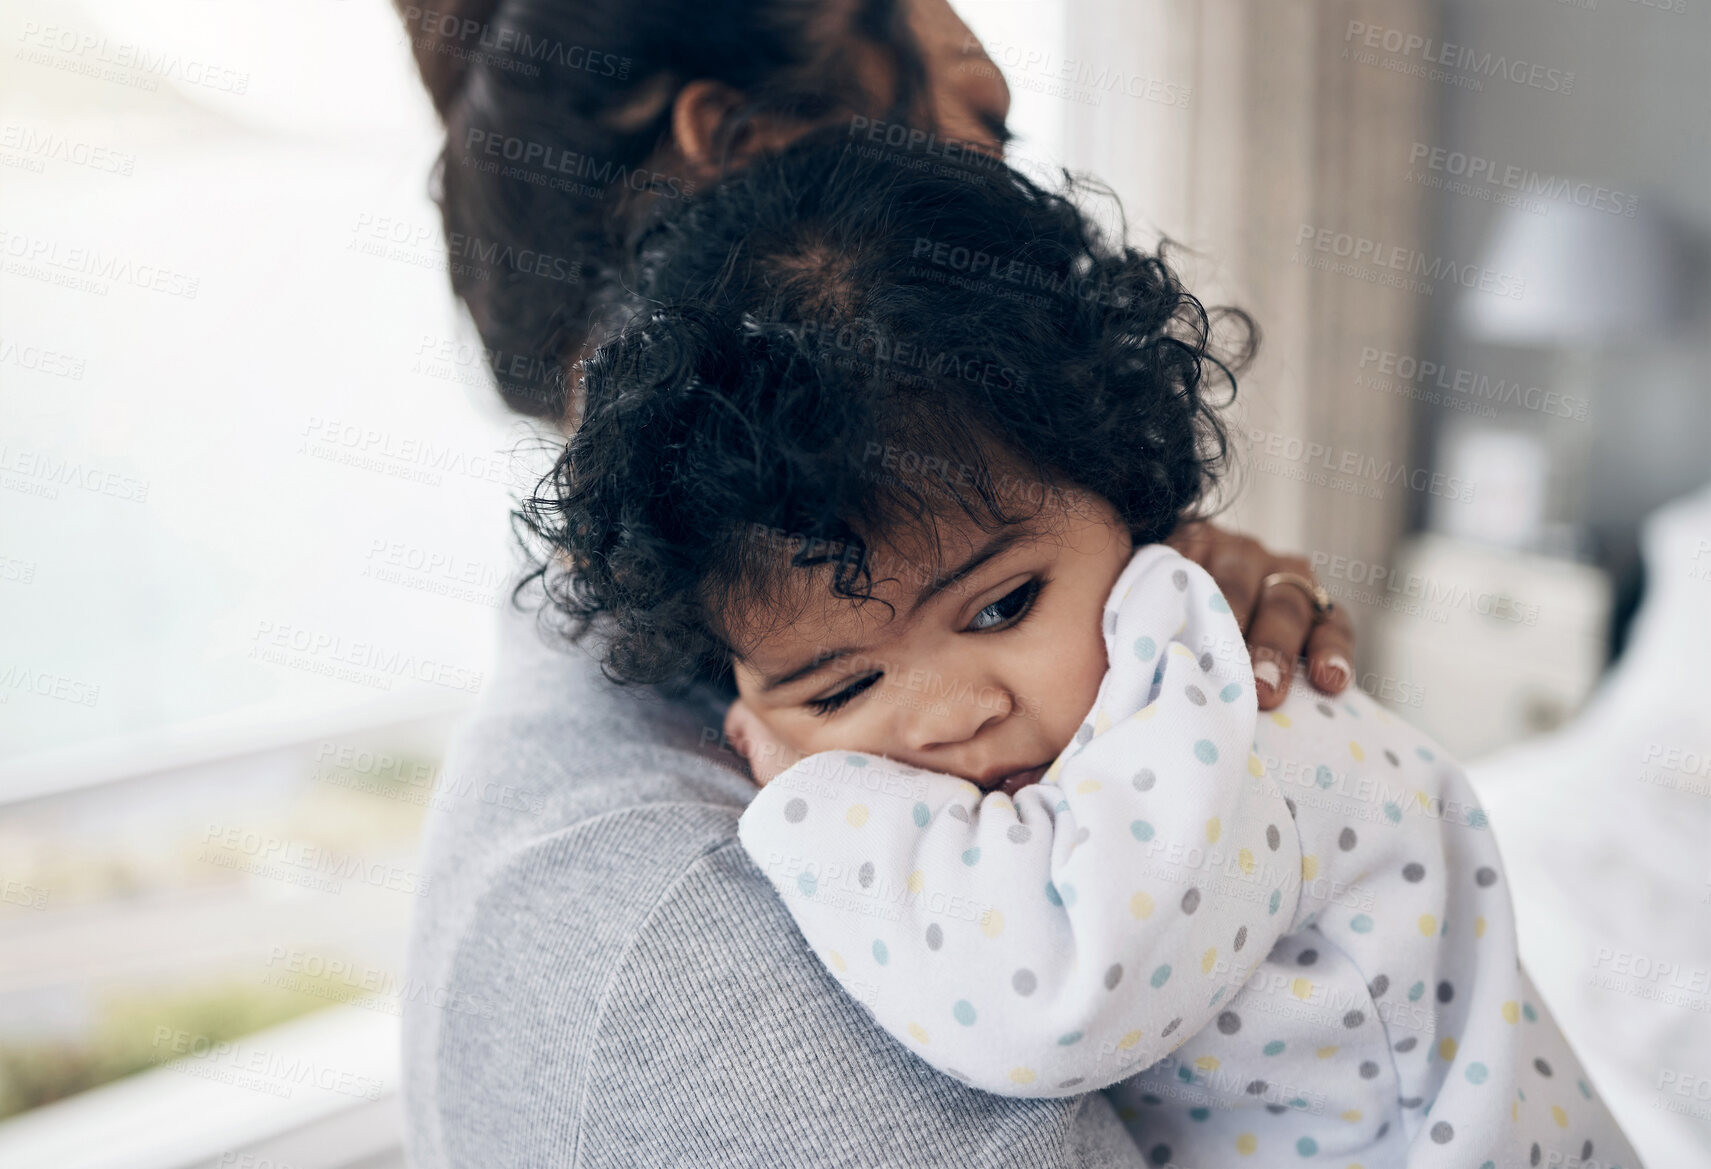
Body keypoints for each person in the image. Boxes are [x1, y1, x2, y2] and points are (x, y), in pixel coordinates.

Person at [559, 137, 1628, 1166]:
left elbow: (1049, 1002)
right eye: (842, 686)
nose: (947, 714)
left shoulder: (1220, 720)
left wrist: (806, 794)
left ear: (1129, 499)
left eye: (1001, 605)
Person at [392, 0, 1357, 703]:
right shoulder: (691, 875)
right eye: (985, 122)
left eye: (1002, 600)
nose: (1016, 190)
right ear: (749, 148)